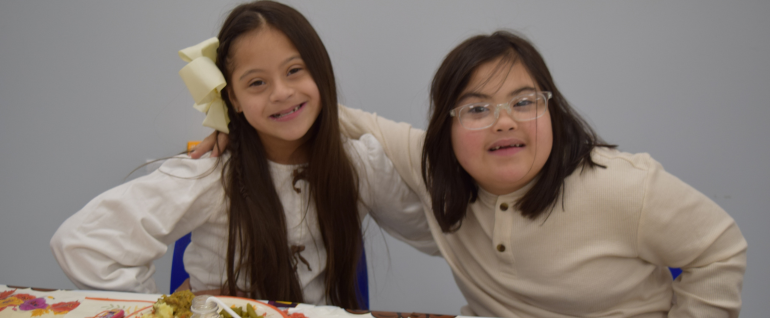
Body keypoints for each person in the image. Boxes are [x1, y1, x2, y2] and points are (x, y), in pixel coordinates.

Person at [196, 31, 747, 317]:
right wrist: (234, 126)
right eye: (477, 108)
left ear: (551, 109)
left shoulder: (623, 185)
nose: (502, 122)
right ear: (448, 127)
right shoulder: (438, 167)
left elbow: (720, 248)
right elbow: (327, 112)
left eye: (524, 101)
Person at [49, 1, 435, 310]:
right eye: (257, 83)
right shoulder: (212, 173)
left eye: (295, 70)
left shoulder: (358, 164)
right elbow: (83, 242)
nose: (281, 92)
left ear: (321, 72)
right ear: (232, 98)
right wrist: (167, 309)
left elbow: (442, 235)